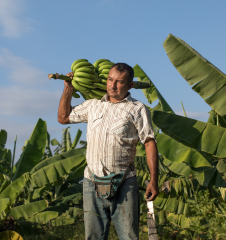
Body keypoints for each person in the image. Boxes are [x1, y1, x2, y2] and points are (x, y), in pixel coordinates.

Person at [58, 63, 159, 240]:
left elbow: (149, 143)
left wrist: (154, 180)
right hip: (91, 182)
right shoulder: (93, 105)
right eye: (110, 80)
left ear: (129, 86)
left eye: (119, 82)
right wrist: (68, 90)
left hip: (124, 182)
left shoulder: (137, 109)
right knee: (94, 237)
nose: (112, 86)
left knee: (129, 236)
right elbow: (63, 118)